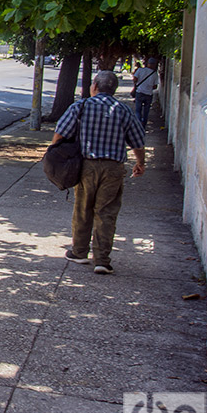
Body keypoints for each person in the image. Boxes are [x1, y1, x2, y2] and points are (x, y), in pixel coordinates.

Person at [54, 70, 147, 274]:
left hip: (86, 165)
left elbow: (60, 134)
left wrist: (56, 158)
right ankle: (102, 260)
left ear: (94, 86)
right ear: (113, 89)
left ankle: (79, 252)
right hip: (113, 168)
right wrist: (140, 162)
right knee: (106, 212)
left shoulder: (81, 106)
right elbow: (138, 141)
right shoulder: (123, 110)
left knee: (82, 208)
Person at [132, 56, 160, 129]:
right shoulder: (154, 74)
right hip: (148, 94)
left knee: (138, 110)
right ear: (154, 65)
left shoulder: (140, 70)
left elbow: (135, 79)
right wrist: (149, 85)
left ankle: (138, 125)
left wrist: (137, 85)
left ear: (148, 64)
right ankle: (143, 126)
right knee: (146, 112)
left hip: (139, 92)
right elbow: (155, 87)